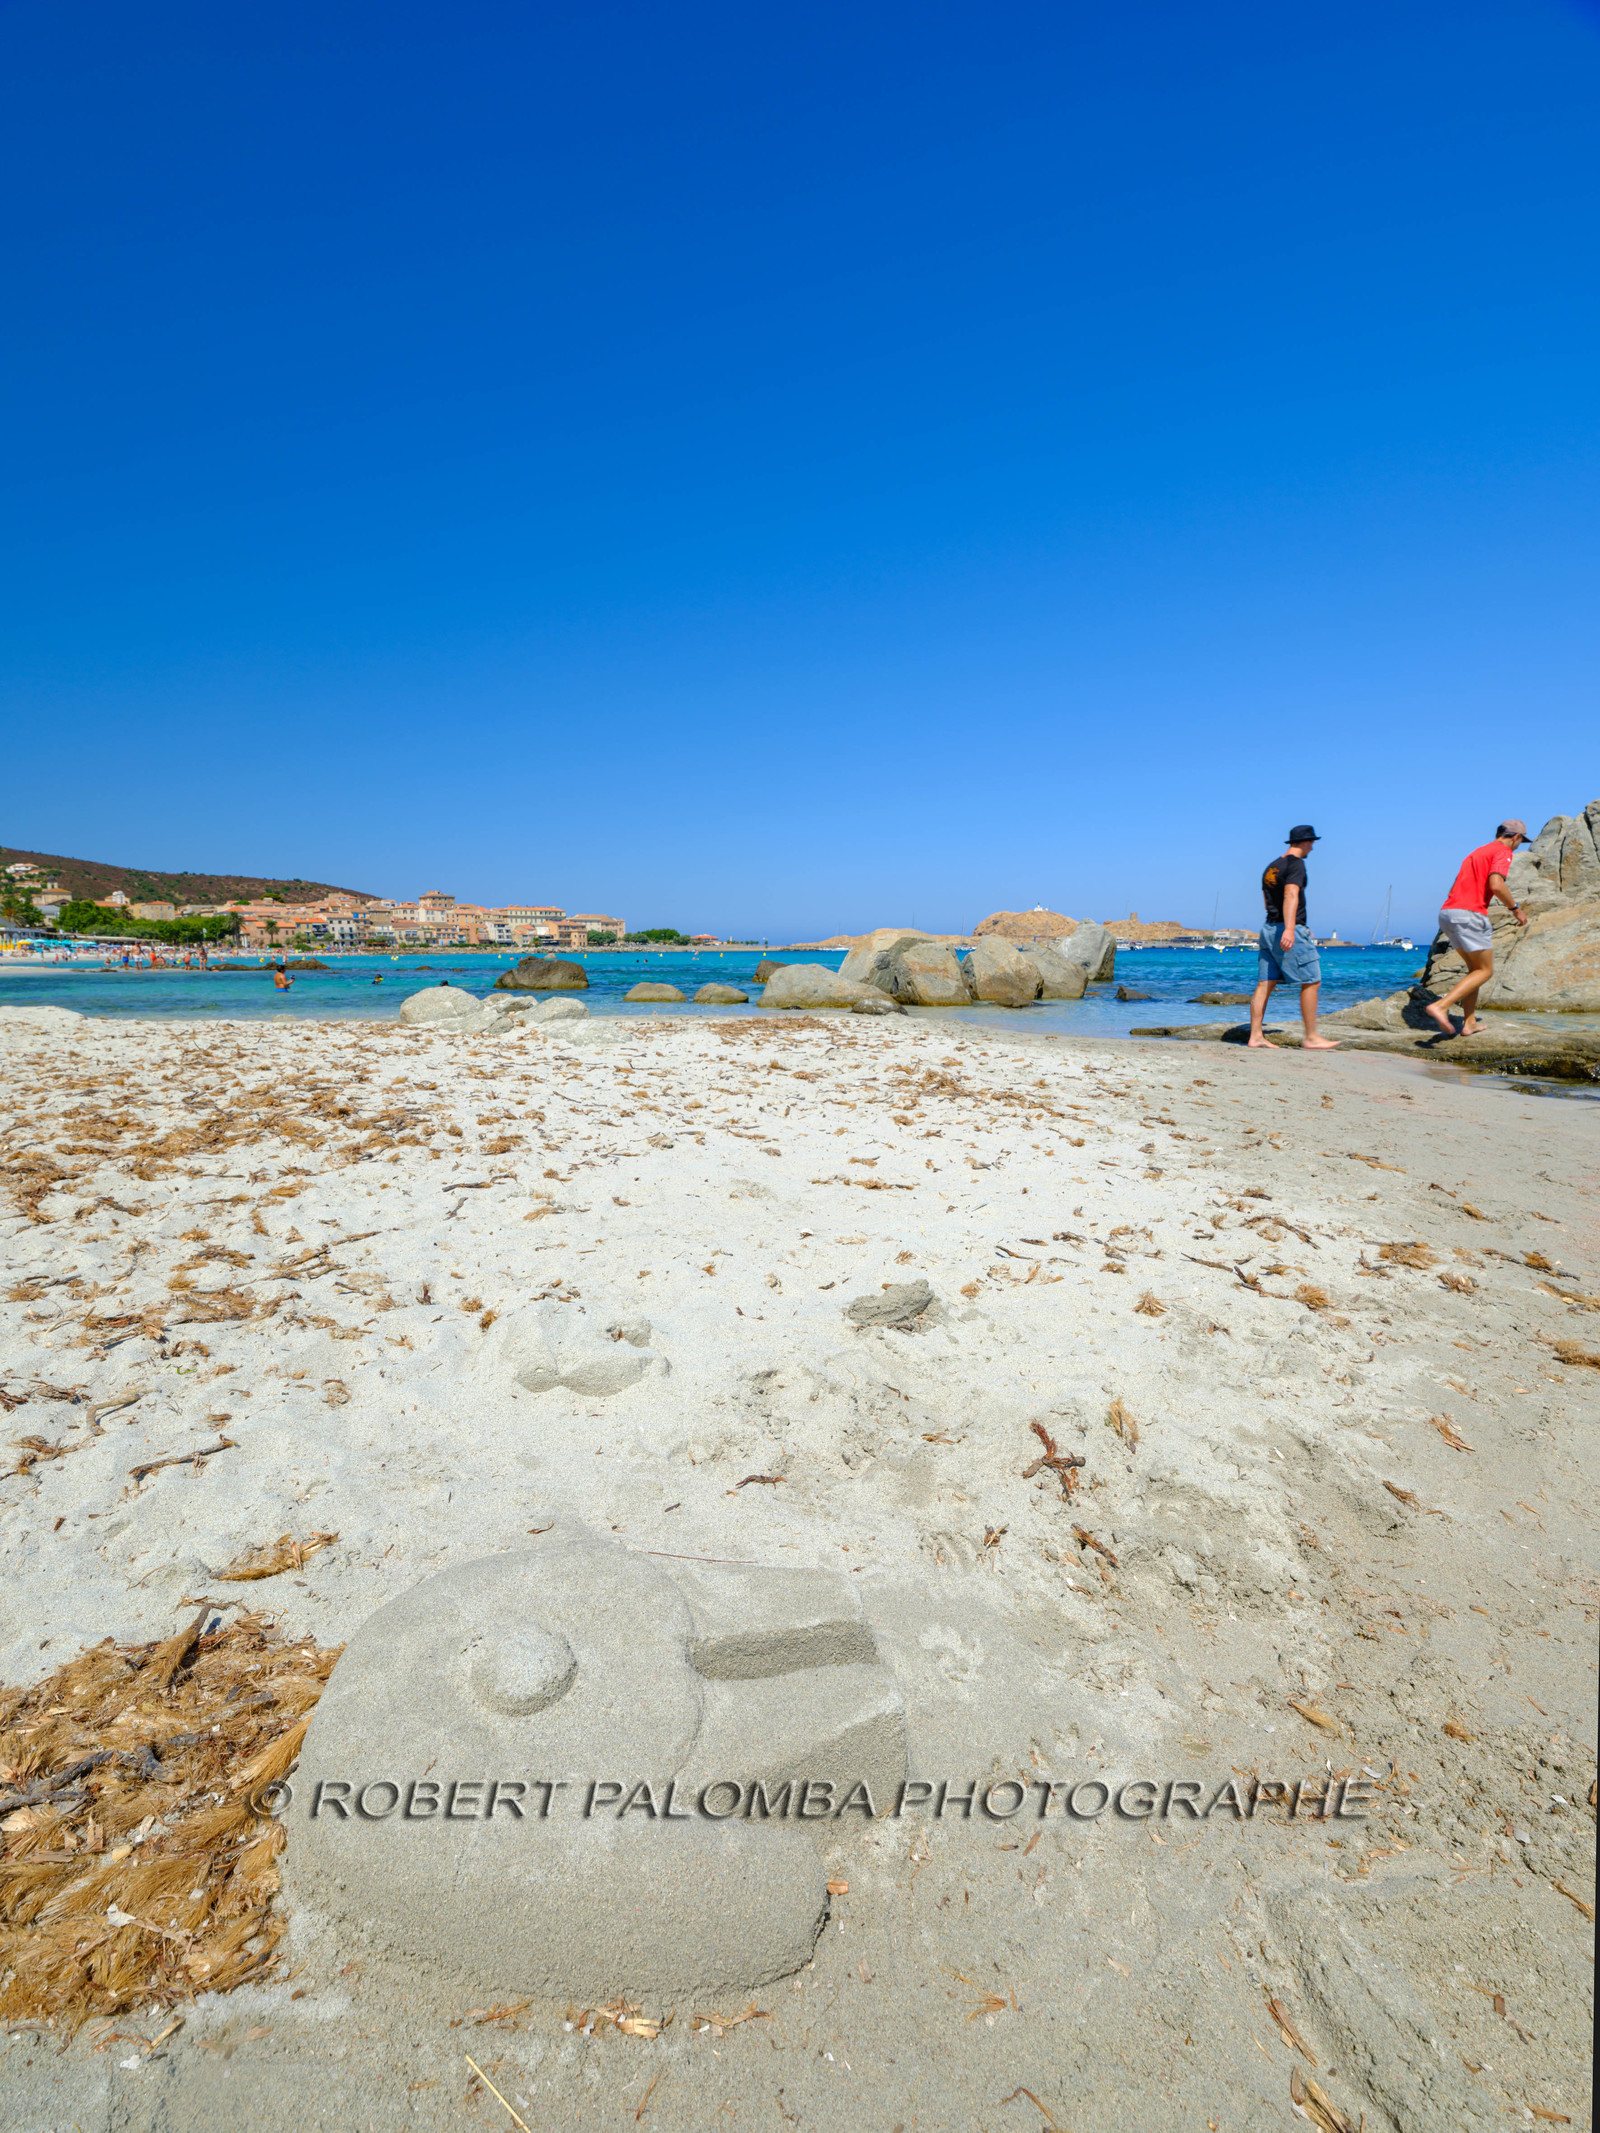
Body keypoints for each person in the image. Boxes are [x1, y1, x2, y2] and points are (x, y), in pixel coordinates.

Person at [1424, 819, 1530, 1037]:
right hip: (1470, 914)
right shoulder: (1503, 852)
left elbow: (1454, 886)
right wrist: (1515, 909)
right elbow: (1496, 885)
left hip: (1447, 913)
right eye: (1520, 841)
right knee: (1485, 971)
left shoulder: (1477, 852)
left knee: (1475, 971)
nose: (1518, 846)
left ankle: (1469, 1022)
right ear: (1516, 837)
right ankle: (1441, 1006)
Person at [1248, 824, 1339, 1050]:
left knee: (1265, 983)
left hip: (1268, 927)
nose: (1313, 848)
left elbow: (1265, 897)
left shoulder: (1272, 866)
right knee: (1311, 980)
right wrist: (1291, 928)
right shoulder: (1296, 864)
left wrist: (1284, 924)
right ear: (1306, 842)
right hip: (1286, 929)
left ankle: (1256, 1036)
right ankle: (1311, 1037)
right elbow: (1291, 893)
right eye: (1312, 843)